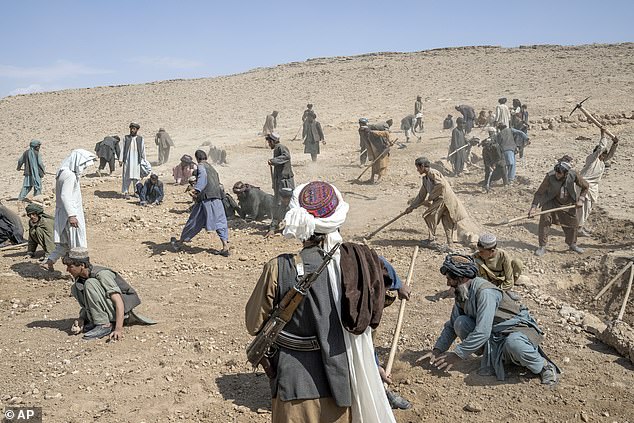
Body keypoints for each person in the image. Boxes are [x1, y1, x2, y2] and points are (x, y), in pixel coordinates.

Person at [245, 181, 396, 423]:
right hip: (343, 381)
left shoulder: (279, 268)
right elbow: (378, 305)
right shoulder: (359, 263)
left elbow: (254, 323)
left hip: (294, 385)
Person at [420, 254, 559, 386]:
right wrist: (437, 351)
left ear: (462, 278)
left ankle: (544, 367)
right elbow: (451, 326)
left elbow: (482, 332)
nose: (448, 283)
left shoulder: (485, 293)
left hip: (513, 331)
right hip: (494, 335)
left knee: (514, 344)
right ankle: (497, 358)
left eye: (450, 279)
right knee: (460, 323)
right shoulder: (462, 292)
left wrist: (457, 354)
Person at [64, 247, 154, 341]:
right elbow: (89, 302)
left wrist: (118, 329)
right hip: (110, 310)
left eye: (70, 267)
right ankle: (96, 321)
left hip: (124, 312)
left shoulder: (102, 274)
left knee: (90, 284)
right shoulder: (81, 279)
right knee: (76, 288)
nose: (67, 270)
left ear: (82, 265)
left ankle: (104, 325)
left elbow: (118, 300)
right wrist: (82, 318)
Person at [43, 149, 96, 271]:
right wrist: (72, 215)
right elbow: (65, 196)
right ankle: (81, 269)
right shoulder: (69, 175)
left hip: (64, 213)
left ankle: (49, 261)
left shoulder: (63, 172)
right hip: (70, 214)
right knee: (77, 244)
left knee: (65, 244)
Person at [171, 150, 229, 256]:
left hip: (205, 200)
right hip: (217, 198)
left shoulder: (201, 167)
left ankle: (179, 243)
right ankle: (225, 246)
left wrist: (196, 190)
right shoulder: (212, 168)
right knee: (221, 222)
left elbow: (202, 178)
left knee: (193, 222)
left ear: (197, 158)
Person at [529, 160, 589, 256]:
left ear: (565, 174)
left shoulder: (573, 175)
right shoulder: (550, 176)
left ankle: (572, 244)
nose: (557, 175)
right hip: (551, 201)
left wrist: (581, 199)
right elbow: (539, 193)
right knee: (545, 220)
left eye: (559, 174)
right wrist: (533, 207)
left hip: (568, 203)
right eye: (556, 173)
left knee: (573, 224)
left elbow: (585, 186)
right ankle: (542, 246)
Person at [405, 157, 468, 248]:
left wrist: (431, 197)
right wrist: (411, 207)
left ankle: (433, 240)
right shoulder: (426, 179)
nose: (417, 170)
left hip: (444, 200)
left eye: (418, 167)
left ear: (422, 166)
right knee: (445, 220)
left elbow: (441, 184)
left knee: (431, 217)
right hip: (440, 201)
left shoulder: (432, 173)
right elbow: (421, 195)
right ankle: (448, 244)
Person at [577, 129, 618, 236]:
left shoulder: (602, 162)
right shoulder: (591, 159)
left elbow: (610, 154)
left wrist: (615, 143)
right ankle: (578, 228)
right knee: (583, 208)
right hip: (584, 186)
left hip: (592, 188)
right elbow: (601, 147)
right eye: (603, 154)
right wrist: (603, 134)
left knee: (588, 208)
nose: (604, 156)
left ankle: (579, 226)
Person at [472, 233, 523, 299]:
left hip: (502, 280)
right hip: (487, 282)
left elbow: (509, 281)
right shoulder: (477, 256)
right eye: (479, 251)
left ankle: (507, 291)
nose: (479, 253)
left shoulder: (503, 256)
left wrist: (497, 291)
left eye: (482, 252)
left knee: (517, 263)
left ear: (492, 251)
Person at [267, 132, 295, 222]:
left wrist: (273, 161)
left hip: (285, 180)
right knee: (279, 201)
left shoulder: (281, 147)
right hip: (280, 180)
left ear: (273, 141)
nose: (269, 144)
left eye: (269, 142)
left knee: (287, 201)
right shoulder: (276, 148)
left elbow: (286, 156)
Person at [121, 122, 146, 200]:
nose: (132, 130)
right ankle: (126, 192)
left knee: (136, 177)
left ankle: (136, 192)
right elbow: (122, 149)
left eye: (134, 129)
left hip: (137, 161)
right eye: (131, 129)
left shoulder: (140, 139)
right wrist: (120, 159)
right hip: (127, 161)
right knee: (126, 177)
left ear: (137, 130)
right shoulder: (126, 138)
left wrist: (144, 160)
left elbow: (143, 150)